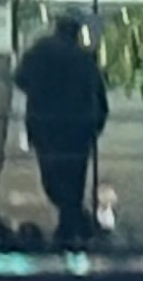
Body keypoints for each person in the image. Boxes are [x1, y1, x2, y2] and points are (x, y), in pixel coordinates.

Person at [13, 14, 111, 248]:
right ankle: (73, 223)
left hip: (47, 126)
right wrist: (94, 127)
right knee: (73, 179)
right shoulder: (84, 60)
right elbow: (100, 98)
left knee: (53, 177)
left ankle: (72, 223)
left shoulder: (41, 52)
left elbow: (21, 79)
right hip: (77, 131)